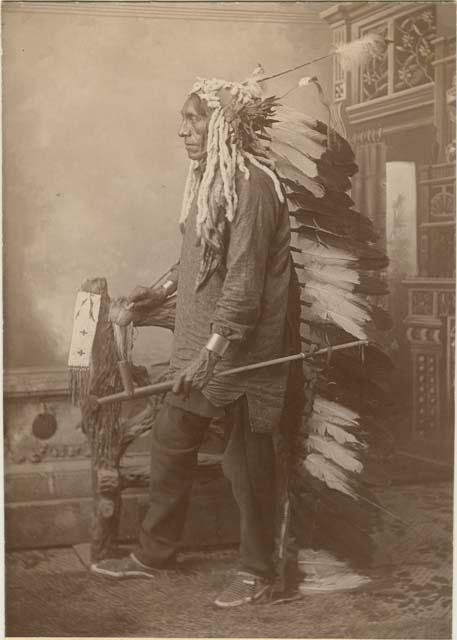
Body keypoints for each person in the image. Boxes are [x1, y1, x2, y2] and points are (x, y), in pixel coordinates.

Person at [91, 76, 305, 608]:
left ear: (223, 125)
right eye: (183, 119)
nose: (181, 130)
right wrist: (156, 292)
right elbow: (196, 260)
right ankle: (155, 554)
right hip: (205, 346)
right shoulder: (212, 180)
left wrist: (210, 355)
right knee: (170, 437)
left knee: (248, 458)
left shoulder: (253, 185)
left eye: (193, 118)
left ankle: (262, 574)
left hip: (245, 353)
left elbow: (244, 284)